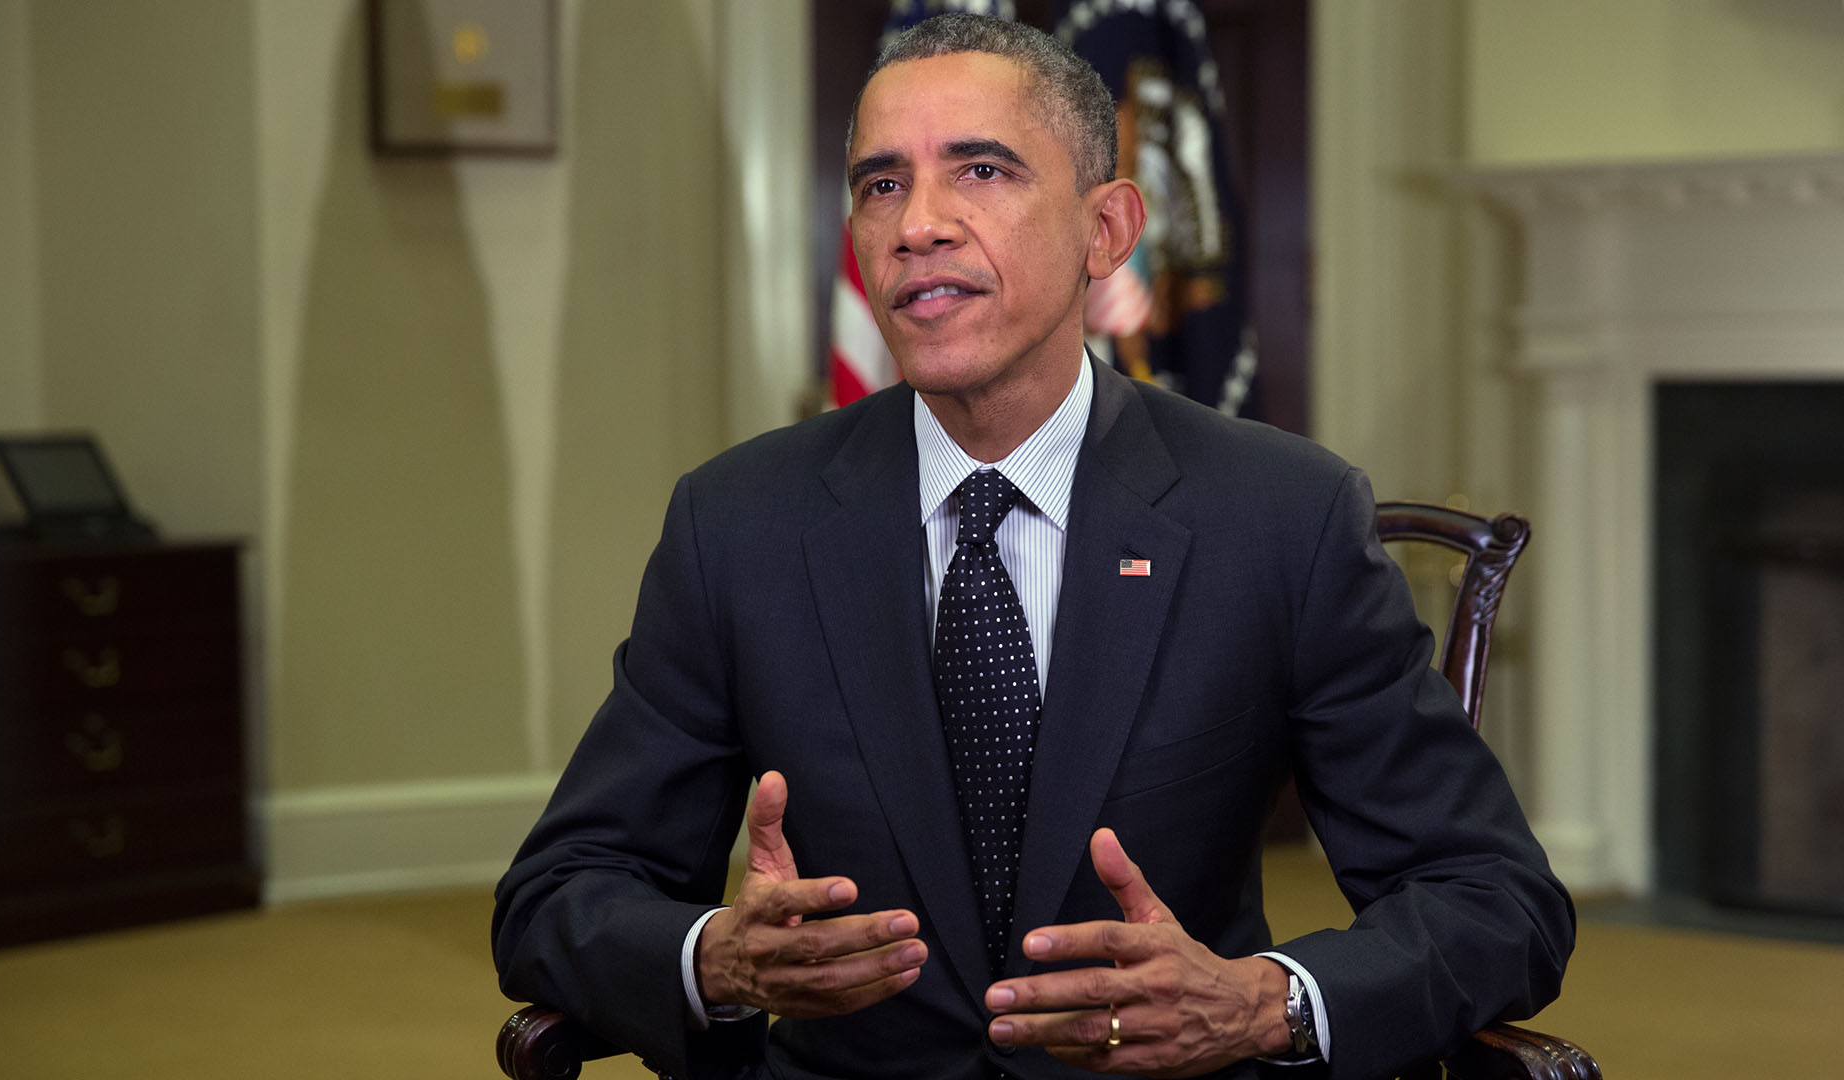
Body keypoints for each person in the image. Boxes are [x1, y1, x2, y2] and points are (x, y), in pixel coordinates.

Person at [493, 14, 1572, 1080]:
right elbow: (558, 895)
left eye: (982, 172)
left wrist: (1258, 1005)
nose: (918, 224)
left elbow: (1496, 900)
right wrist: (716, 958)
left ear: (1106, 230)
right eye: (880, 184)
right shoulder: (739, 524)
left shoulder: (1277, 517)